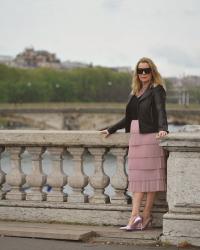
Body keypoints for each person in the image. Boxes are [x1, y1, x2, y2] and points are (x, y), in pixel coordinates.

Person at [100, 57, 168, 231]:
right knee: (137, 179)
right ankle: (138, 216)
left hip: (151, 136)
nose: (143, 73)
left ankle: (142, 217)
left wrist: (163, 128)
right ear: (136, 73)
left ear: (152, 71)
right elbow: (129, 119)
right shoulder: (135, 92)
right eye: (140, 70)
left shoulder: (157, 89)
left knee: (151, 179)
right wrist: (111, 129)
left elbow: (161, 110)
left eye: (146, 70)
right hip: (136, 138)